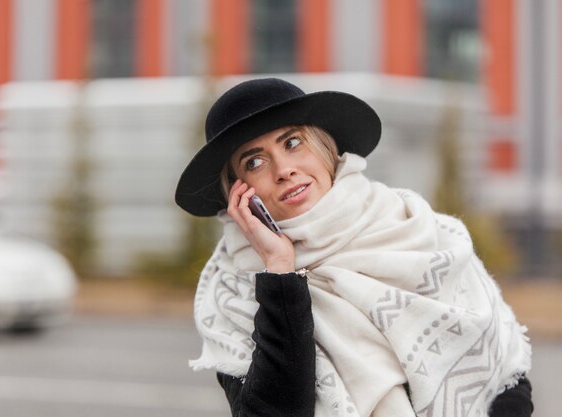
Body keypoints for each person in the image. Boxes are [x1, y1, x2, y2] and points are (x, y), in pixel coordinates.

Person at [175, 78, 533, 417]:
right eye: (254, 162)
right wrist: (280, 271)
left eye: (293, 142)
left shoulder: (423, 231)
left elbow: (506, 377)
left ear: (323, 146)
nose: (283, 169)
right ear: (239, 191)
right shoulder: (234, 291)